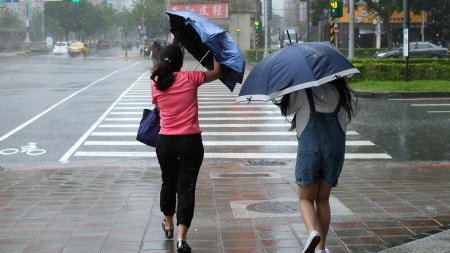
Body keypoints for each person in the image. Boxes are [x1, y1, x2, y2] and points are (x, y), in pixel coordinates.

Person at [151, 44, 221, 253]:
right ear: (181, 63)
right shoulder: (191, 78)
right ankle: (182, 238)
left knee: (168, 182)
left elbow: (158, 107)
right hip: (190, 141)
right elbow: (217, 73)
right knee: (186, 187)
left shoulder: (156, 83)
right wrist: (215, 53)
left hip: (165, 142)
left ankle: (168, 224)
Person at [274, 78, 357, 253]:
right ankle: (321, 249)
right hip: (334, 151)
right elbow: (345, 121)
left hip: (309, 151)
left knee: (305, 199)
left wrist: (289, 85)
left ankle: (312, 232)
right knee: (323, 199)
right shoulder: (343, 93)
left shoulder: (303, 90)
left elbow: (286, 110)